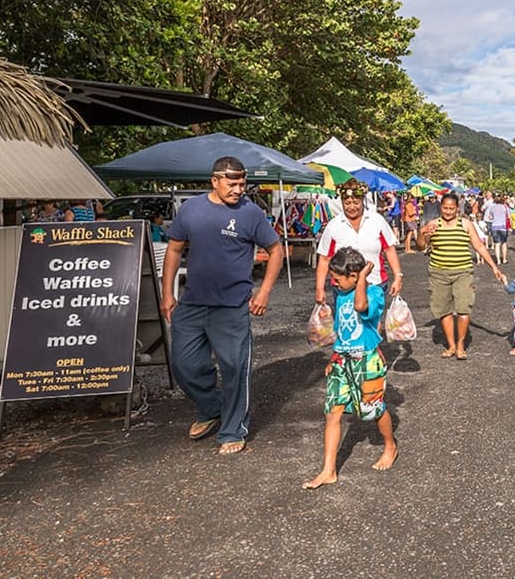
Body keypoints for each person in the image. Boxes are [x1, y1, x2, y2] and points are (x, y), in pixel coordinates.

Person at [161, 156, 283, 455]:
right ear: (214, 180)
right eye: (232, 183)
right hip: (192, 302)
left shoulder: (251, 213)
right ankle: (211, 406)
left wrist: (264, 292)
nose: (239, 189)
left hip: (232, 306)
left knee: (234, 368)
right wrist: (167, 293)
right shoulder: (190, 209)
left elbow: (276, 249)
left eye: (242, 184)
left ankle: (232, 429)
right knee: (183, 365)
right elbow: (175, 250)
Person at [303, 247, 397, 490]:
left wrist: (364, 278)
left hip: (367, 361)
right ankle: (328, 470)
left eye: (337, 278)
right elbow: (342, 331)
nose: (333, 282)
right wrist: (333, 357)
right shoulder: (341, 293)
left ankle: (390, 445)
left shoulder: (374, 293)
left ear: (354, 276)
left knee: (373, 409)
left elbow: (360, 307)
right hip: (342, 361)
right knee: (332, 412)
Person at [418, 193, 505, 359]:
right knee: (444, 311)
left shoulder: (466, 224)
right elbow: (421, 246)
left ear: (457, 208)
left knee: (464, 308)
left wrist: (494, 267)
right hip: (438, 273)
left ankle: (460, 345)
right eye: (445, 208)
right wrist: (422, 232)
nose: (448, 211)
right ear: (440, 208)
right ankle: (450, 345)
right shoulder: (433, 225)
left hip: (463, 272)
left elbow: (478, 245)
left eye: (452, 208)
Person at [314, 179, 403, 317]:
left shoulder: (376, 221)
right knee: (347, 325)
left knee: (373, 324)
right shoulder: (334, 226)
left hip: (375, 284)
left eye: (356, 202)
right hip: (343, 287)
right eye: (347, 203)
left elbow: (389, 249)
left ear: (363, 200)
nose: (352, 207)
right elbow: (324, 259)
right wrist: (320, 288)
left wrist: (398, 276)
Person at [485, 193, 511, 264]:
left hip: (494, 227)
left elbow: (490, 217)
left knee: (497, 244)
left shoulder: (492, 208)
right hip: (503, 227)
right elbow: (509, 217)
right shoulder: (505, 207)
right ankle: (504, 259)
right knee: (504, 243)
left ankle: (498, 260)